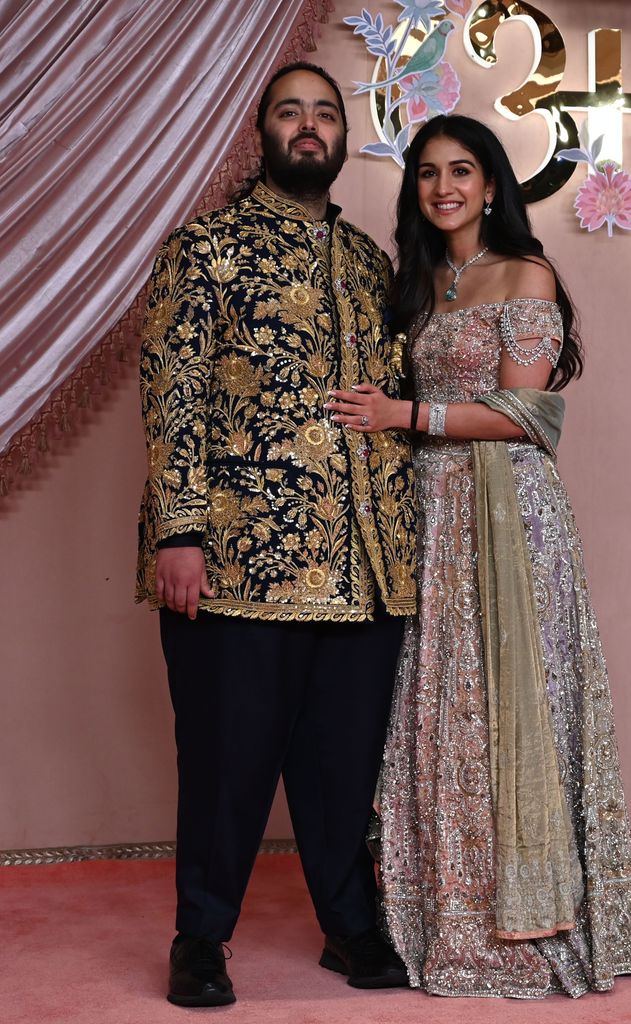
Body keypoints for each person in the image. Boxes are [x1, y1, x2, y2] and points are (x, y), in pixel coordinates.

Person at [324, 114, 631, 998]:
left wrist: (403, 416)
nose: (443, 188)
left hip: (509, 514)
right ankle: (430, 914)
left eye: (461, 171)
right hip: (427, 517)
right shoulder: (416, 283)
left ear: (492, 182)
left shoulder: (526, 273)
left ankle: (526, 918)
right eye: (428, 173)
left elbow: (525, 415)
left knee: (510, 708)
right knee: (436, 710)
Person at [136, 62, 416, 1006]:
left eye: (325, 114)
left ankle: (350, 928)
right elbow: (173, 394)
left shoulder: (371, 263)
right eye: (290, 112)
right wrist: (179, 530)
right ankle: (201, 941)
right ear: (261, 130)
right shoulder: (204, 248)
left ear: (342, 137)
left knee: (343, 763)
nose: (309, 127)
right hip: (234, 561)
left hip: (363, 569)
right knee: (226, 761)